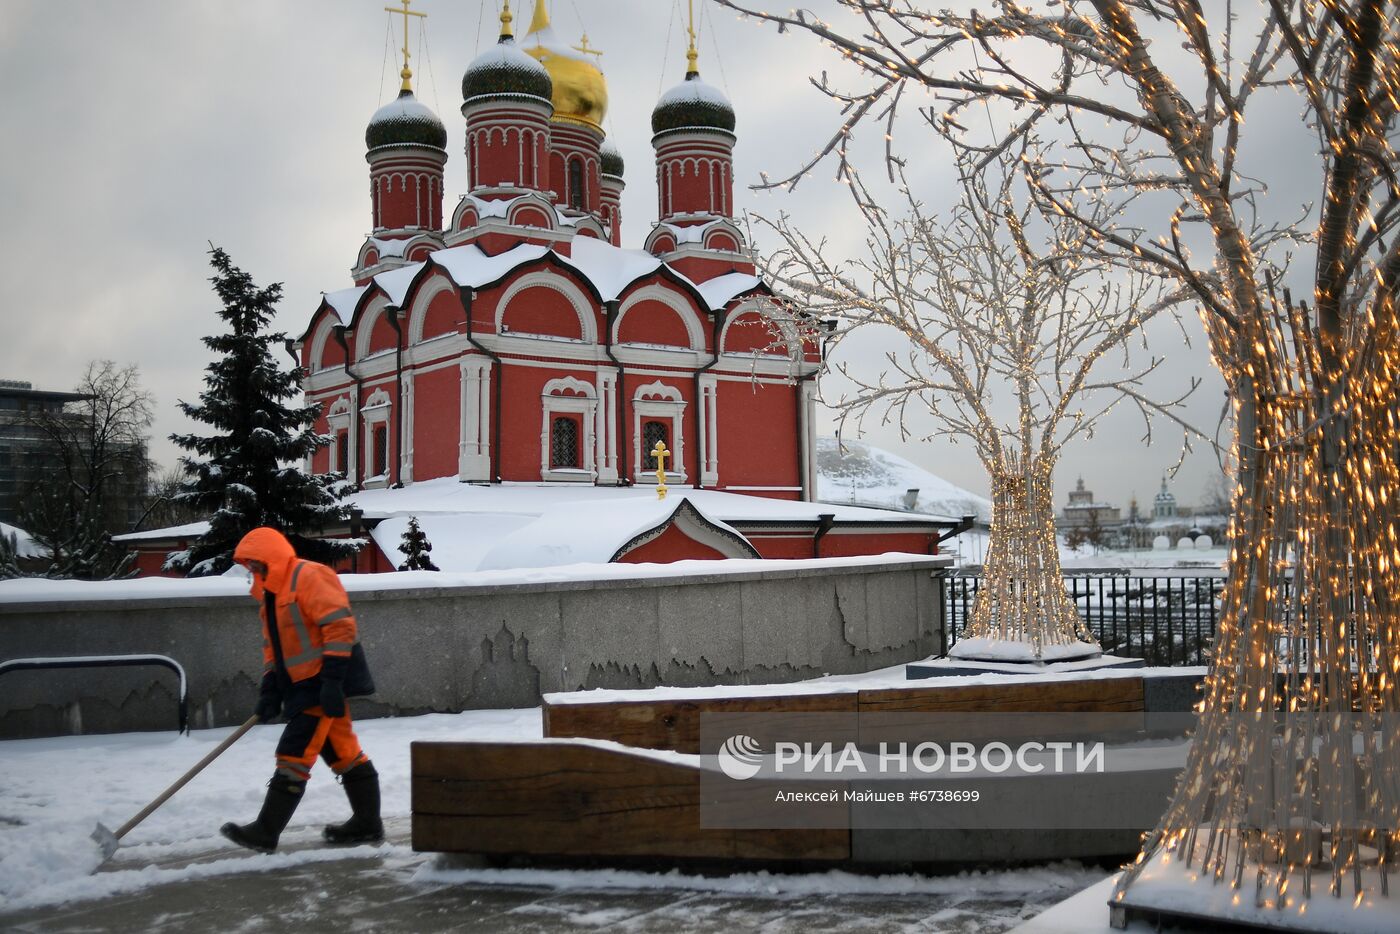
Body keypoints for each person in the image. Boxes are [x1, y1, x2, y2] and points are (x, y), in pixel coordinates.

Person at [221, 527, 381, 853]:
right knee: (344, 754)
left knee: (294, 753)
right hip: (304, 685)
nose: (252, 570)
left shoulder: (310, 576)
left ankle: (266, 831)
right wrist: (270, 691)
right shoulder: (270, 597)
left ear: (271, 557)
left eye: (255, 563)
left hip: (323, 682)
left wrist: (333, 683)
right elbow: (273, 651)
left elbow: (339, 626)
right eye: (249, 565)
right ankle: (368, 823)